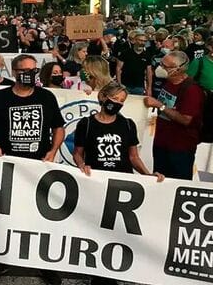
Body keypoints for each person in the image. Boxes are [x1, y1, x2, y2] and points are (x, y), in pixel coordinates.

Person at [0, 54, 64, 285]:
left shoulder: (46, 97)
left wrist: (53, 150)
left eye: (34, 70)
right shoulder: (0, 97)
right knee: (7, 215)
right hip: (10, 167)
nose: (30, 74)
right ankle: (1, 260)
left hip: (40, 167)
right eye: (25, 70)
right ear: (15, 72)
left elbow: (59, 127)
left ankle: (44, 264)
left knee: (42, 218)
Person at [74, 82, 163, 285]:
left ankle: (112, 271)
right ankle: (96, 272)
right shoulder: (86, 124)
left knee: (118, 230)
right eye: (115, 99)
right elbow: (78, 152)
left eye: (122, 101)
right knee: (97, 228)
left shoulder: (128, 124)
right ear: (104, 97)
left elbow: (133, 157)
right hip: (97, 185)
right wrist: (82, 166)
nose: (118, 103)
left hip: (122, 184)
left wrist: (147, 175)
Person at [143, 51, 205, 180]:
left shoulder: (192, 90)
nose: (160, 68)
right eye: (161, 64)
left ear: (178, 69)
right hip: (161, 143)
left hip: (179, 148)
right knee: (158, 179)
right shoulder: (169, 82)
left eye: (165, 66)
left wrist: (160, 106)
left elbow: (186, 119)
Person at [116, 30, 153, 96]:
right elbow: (118, 68)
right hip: (125, 85)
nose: (142, 43)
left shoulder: (147, 55)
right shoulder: (125, 53)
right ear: (135, 40)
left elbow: (149, 72)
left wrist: (149, 88)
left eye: (144, 41)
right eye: (140, 40)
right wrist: (119, 83)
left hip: (139, 86)